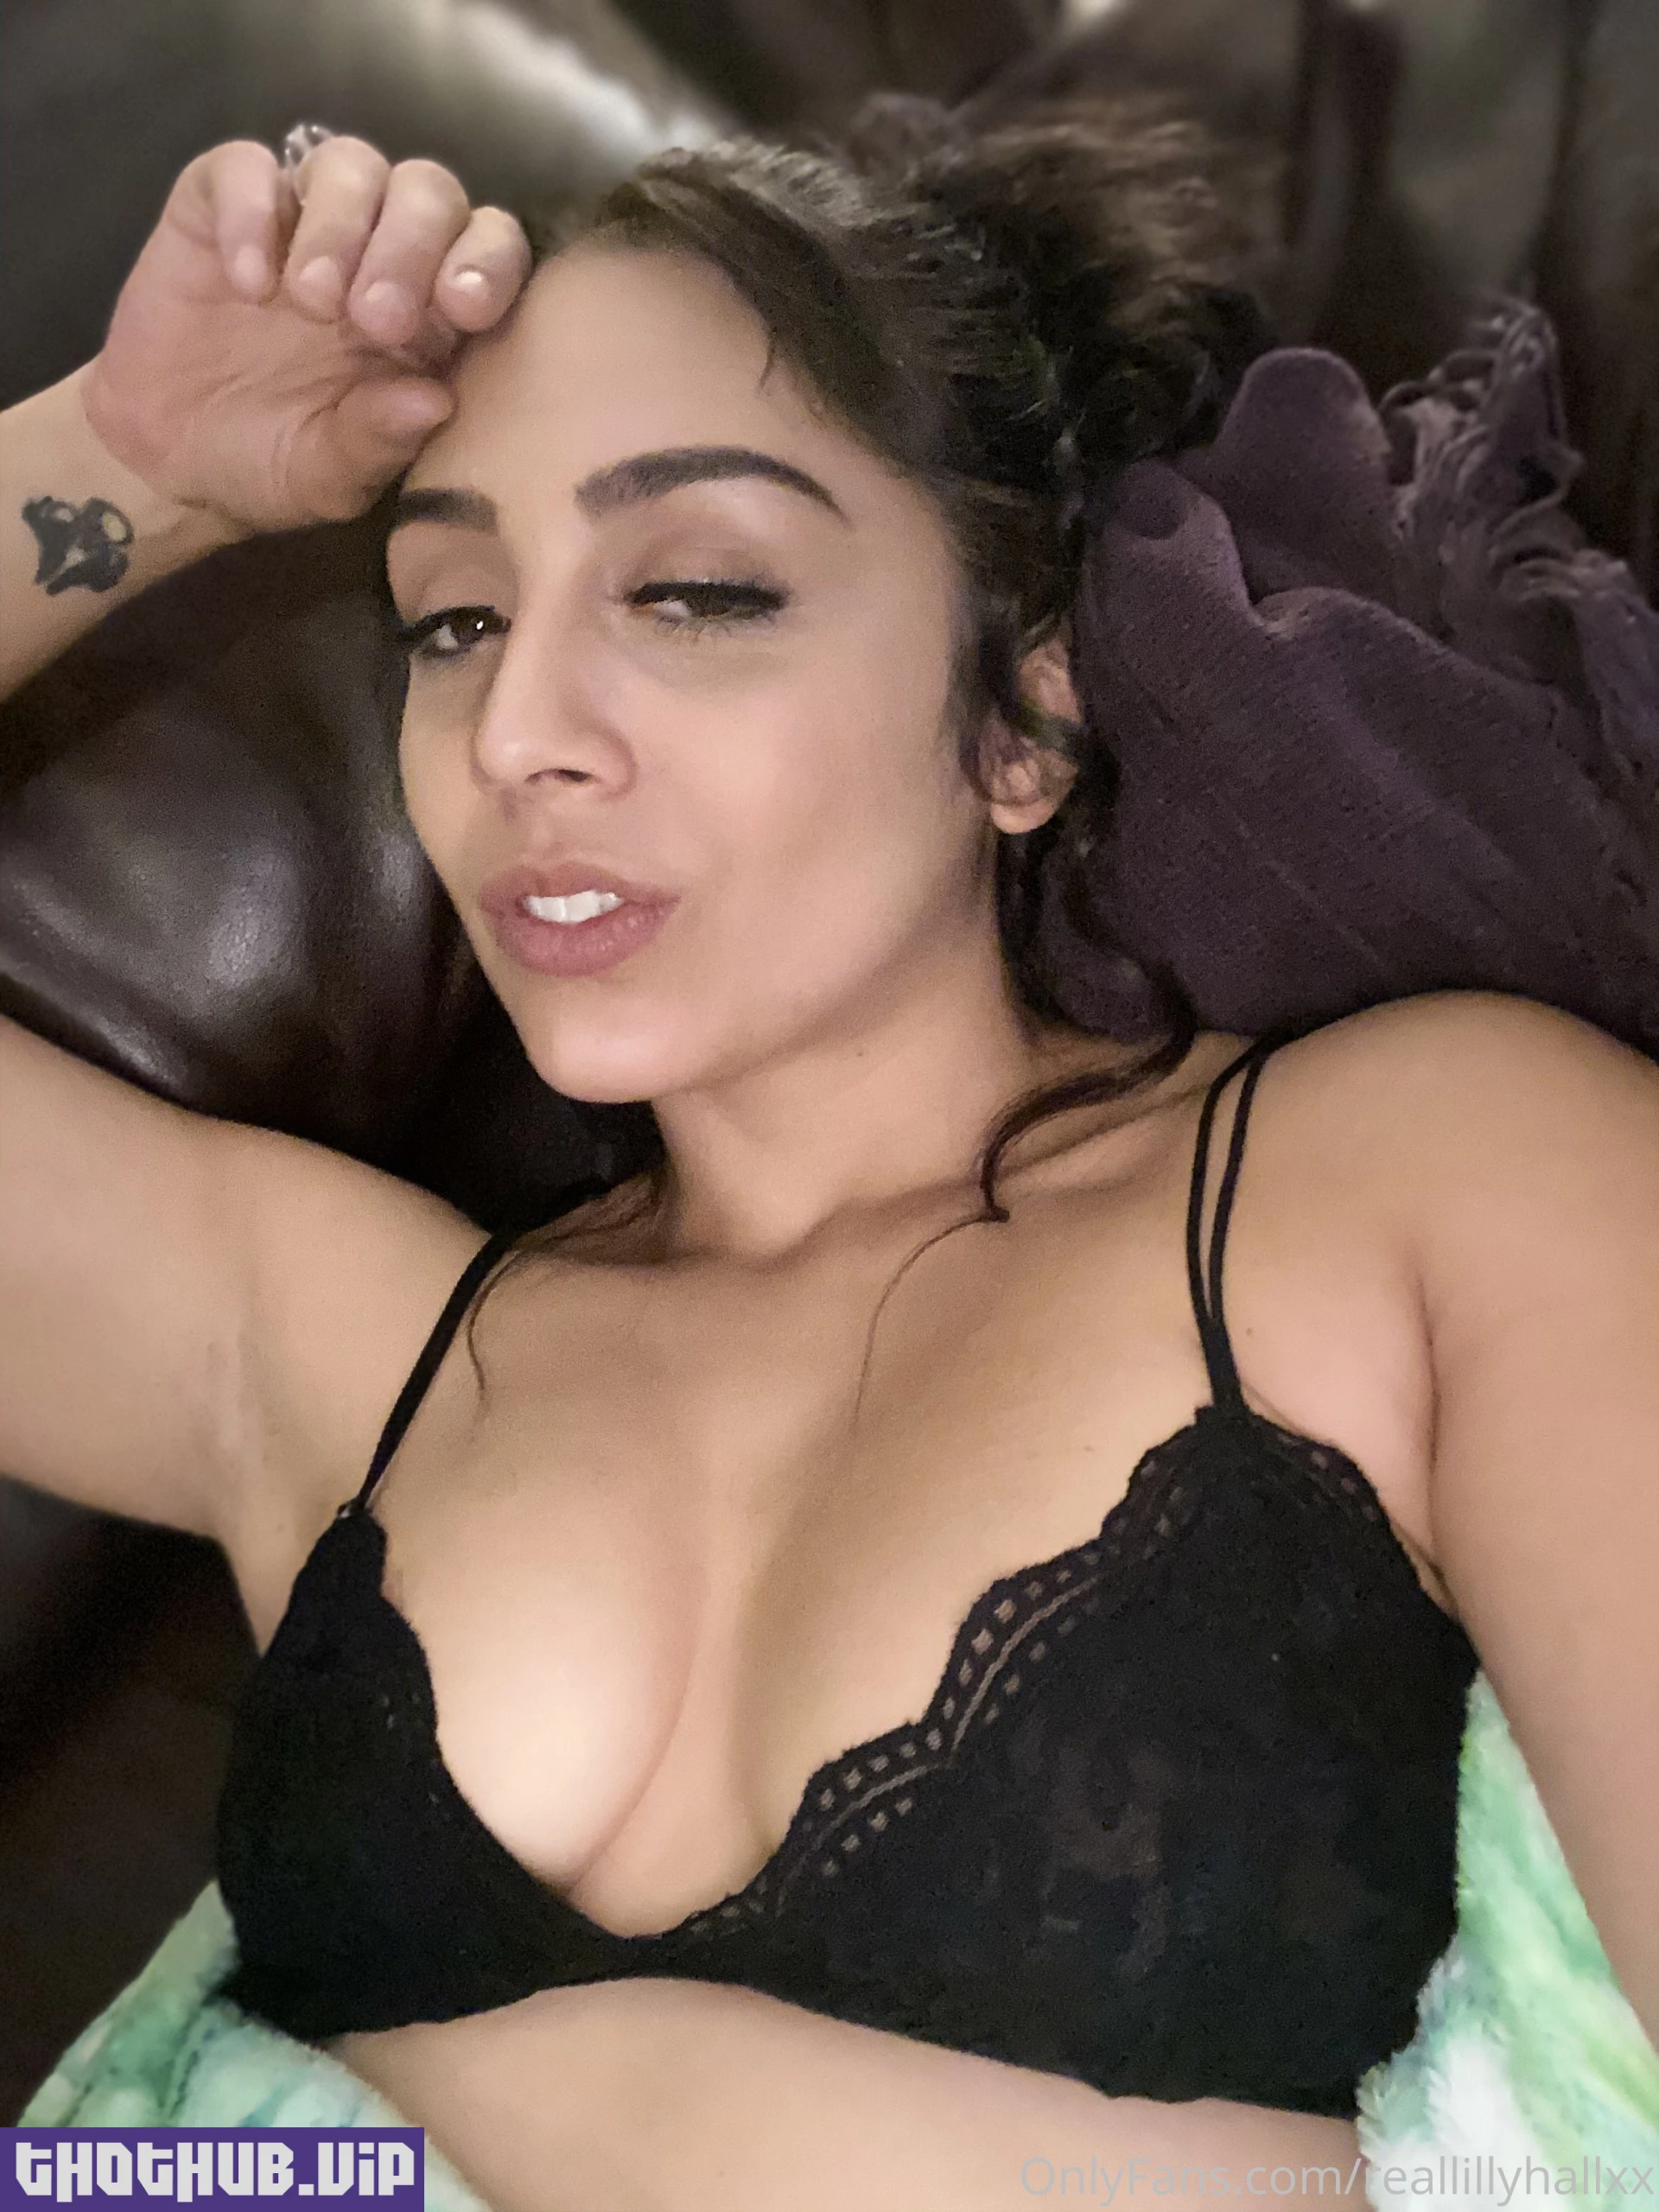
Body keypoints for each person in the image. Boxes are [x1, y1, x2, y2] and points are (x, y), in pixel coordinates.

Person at [0, 112, 1654, 2212]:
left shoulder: (1433, 1178)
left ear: (1020, 719)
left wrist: (622, 2101)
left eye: (697, 591)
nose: (518, 732)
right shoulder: (339, 1348)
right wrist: (130, 461)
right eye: (452, 619)